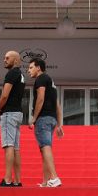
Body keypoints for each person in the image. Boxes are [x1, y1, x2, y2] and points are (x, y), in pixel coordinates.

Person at [0, 50, 26, 187]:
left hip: (9, 114)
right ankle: (17, 180)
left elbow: (5, 95)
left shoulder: (11, 73)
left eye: (7, 58)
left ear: (16, 60)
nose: (4, 60)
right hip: (17, 113)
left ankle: (7, 179)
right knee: (16, 147)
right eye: (4, 58)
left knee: (8, 145)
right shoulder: (21, 75)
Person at [28, 58, 63, 187]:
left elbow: (40, 99)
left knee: (45, 147)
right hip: (52, 119)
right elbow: (57, 104)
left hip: (43, 118)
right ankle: (46, 181)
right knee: (44, 149)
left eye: (31, 67)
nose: (29, 70)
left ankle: (54, 177)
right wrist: (59, 124)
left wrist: (34, 118)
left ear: (38, 68)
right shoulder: (51, 82)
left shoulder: (41, 79)